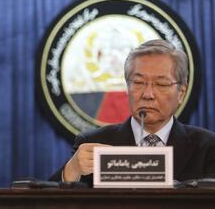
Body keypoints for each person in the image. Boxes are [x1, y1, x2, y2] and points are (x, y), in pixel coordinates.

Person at [49, 39, 215, 186]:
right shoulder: (94, 143)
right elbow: (46, 203)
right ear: (127, 88)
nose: (148, 94)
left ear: (181, 93)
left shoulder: (207, 147)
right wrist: (71, 172)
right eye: (138, 82)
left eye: (161, 84)